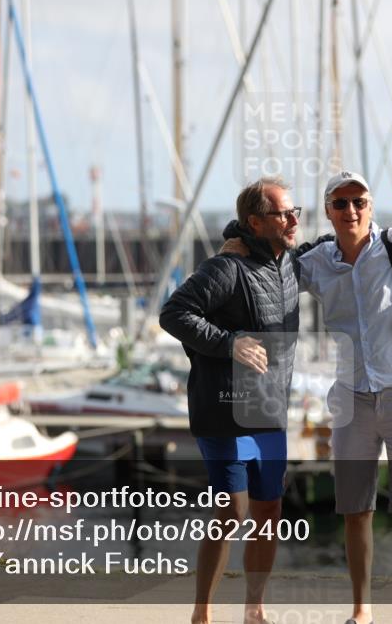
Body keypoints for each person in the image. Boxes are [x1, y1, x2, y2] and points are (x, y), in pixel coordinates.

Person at [222, 170, 392, 624]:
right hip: (352, 398)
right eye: (340, 203)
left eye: (359, 202)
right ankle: (362, 611)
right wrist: (237, 245)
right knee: (355, 510)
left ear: (369, 207)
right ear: (329, 211)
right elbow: (272, 264)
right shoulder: (316, 262)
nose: (351, 210)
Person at [159, 177, 302, 624]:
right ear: (255, 222)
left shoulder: (290, 262)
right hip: (224, 409)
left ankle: (254, 609)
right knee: (231, 509)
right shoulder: (226, 267)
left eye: (294, 211)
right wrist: (229, 343)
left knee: (269, 508)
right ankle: (202, 613)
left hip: (270, 411)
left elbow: (338, 248)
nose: (292, 220)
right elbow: (173, 313)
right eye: (282, 213)